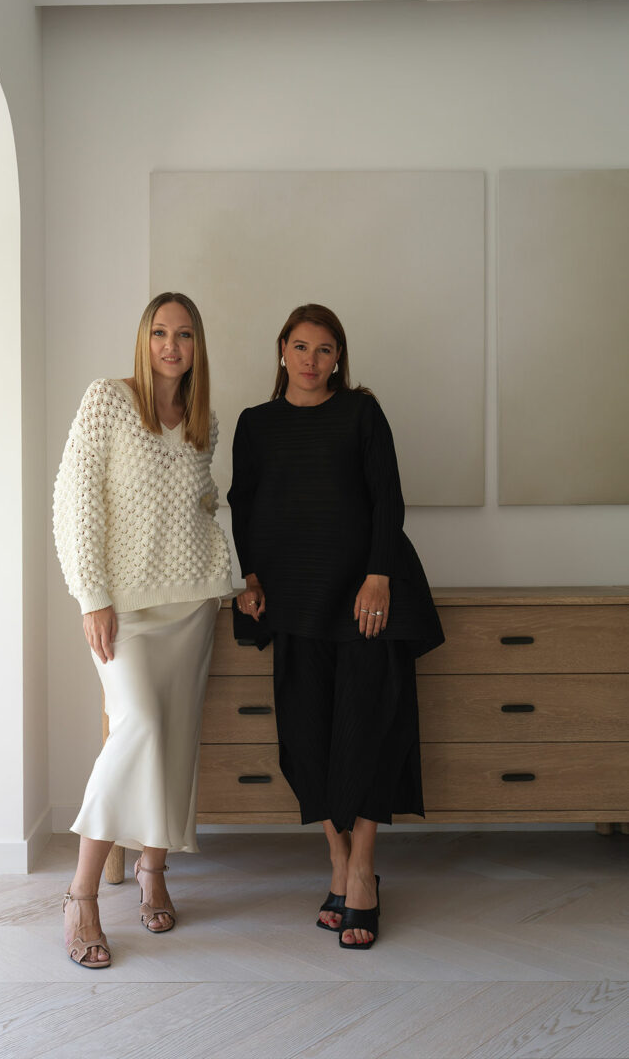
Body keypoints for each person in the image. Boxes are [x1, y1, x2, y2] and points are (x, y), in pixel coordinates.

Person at [227, 304, 443, 951]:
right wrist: (250, 579)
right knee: (306, 735)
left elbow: (388, 497)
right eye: (300, 347)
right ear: (281, 351)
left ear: (339, 358)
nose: (311, 361)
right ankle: (341, 860)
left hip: (365, 597)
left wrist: (379, 576)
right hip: (293, 598)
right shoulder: (255, 424)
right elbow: (244, 506)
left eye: (325, 350)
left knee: (370, 726)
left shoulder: (362, 413)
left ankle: (363, 877)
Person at [53, 292, 232, 968]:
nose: (170, 345)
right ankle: (82, 895)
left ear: (197, 346)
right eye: (160, 332)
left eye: (184, 334)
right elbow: (75, 500)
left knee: (175, 741)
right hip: (123, 608)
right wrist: (92, 598)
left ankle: (154, 873)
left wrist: (234, 579)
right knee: (141, 729)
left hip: (191, 606)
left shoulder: (203, 422)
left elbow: (204, 502)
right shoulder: (108, 400)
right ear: (144, 338)